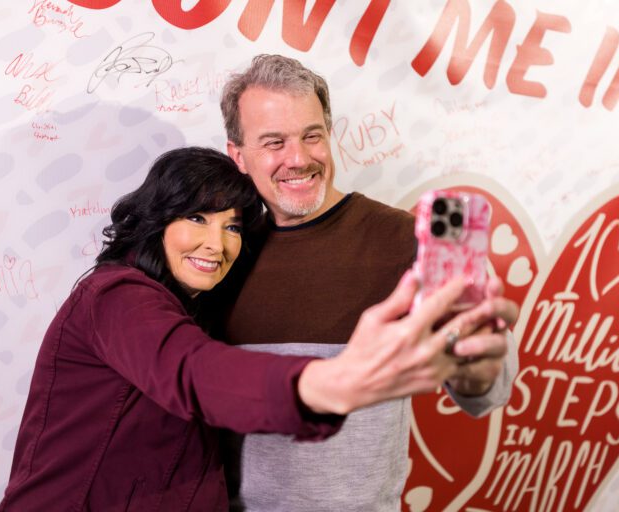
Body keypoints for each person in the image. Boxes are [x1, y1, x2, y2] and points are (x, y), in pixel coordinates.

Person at [0, 147, 514, 511]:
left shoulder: (199, 304)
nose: (216, 244)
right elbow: (194, 373)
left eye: (233, 227)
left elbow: (487, 390)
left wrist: (476, 364)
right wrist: (326, 383)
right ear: (157, 219)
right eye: (197, 219)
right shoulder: (114, 296)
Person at [221, 55, 520, 510]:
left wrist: (478, 371)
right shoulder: (219, 258)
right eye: (274, 142)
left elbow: (490, 393)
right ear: (238, 156)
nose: (298, 159)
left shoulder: (408, 240)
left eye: (312, 135)